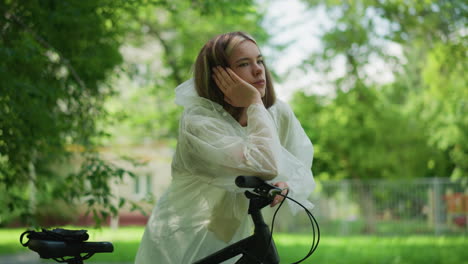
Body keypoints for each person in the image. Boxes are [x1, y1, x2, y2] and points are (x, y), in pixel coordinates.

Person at [135, 31, 315, 264]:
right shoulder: (199, 121)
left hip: (233, 233)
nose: (258, 69)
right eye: (243, 64)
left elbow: (299, 159)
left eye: (259, 60)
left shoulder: (276, 112)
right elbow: (264, 166)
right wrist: (253, 102)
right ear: (219, 75)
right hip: (183, 237)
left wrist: (287, 183)